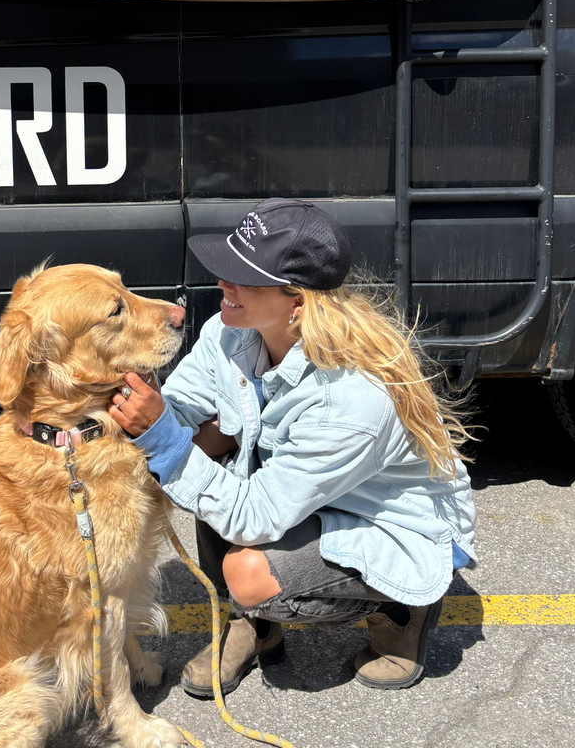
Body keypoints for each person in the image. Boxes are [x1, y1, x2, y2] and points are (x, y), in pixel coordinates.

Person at [108, 198, 476, 696]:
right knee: (206, 444)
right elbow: (180, 407)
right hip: (307, 495)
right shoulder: (229, 330)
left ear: (297, 302)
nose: (222, 284)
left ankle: (400, 609)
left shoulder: (348, 398)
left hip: (389, 526)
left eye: (243, 277)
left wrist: (164, 440)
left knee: (246, 571)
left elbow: (250, 515)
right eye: (225, 268)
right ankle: (254, 625)